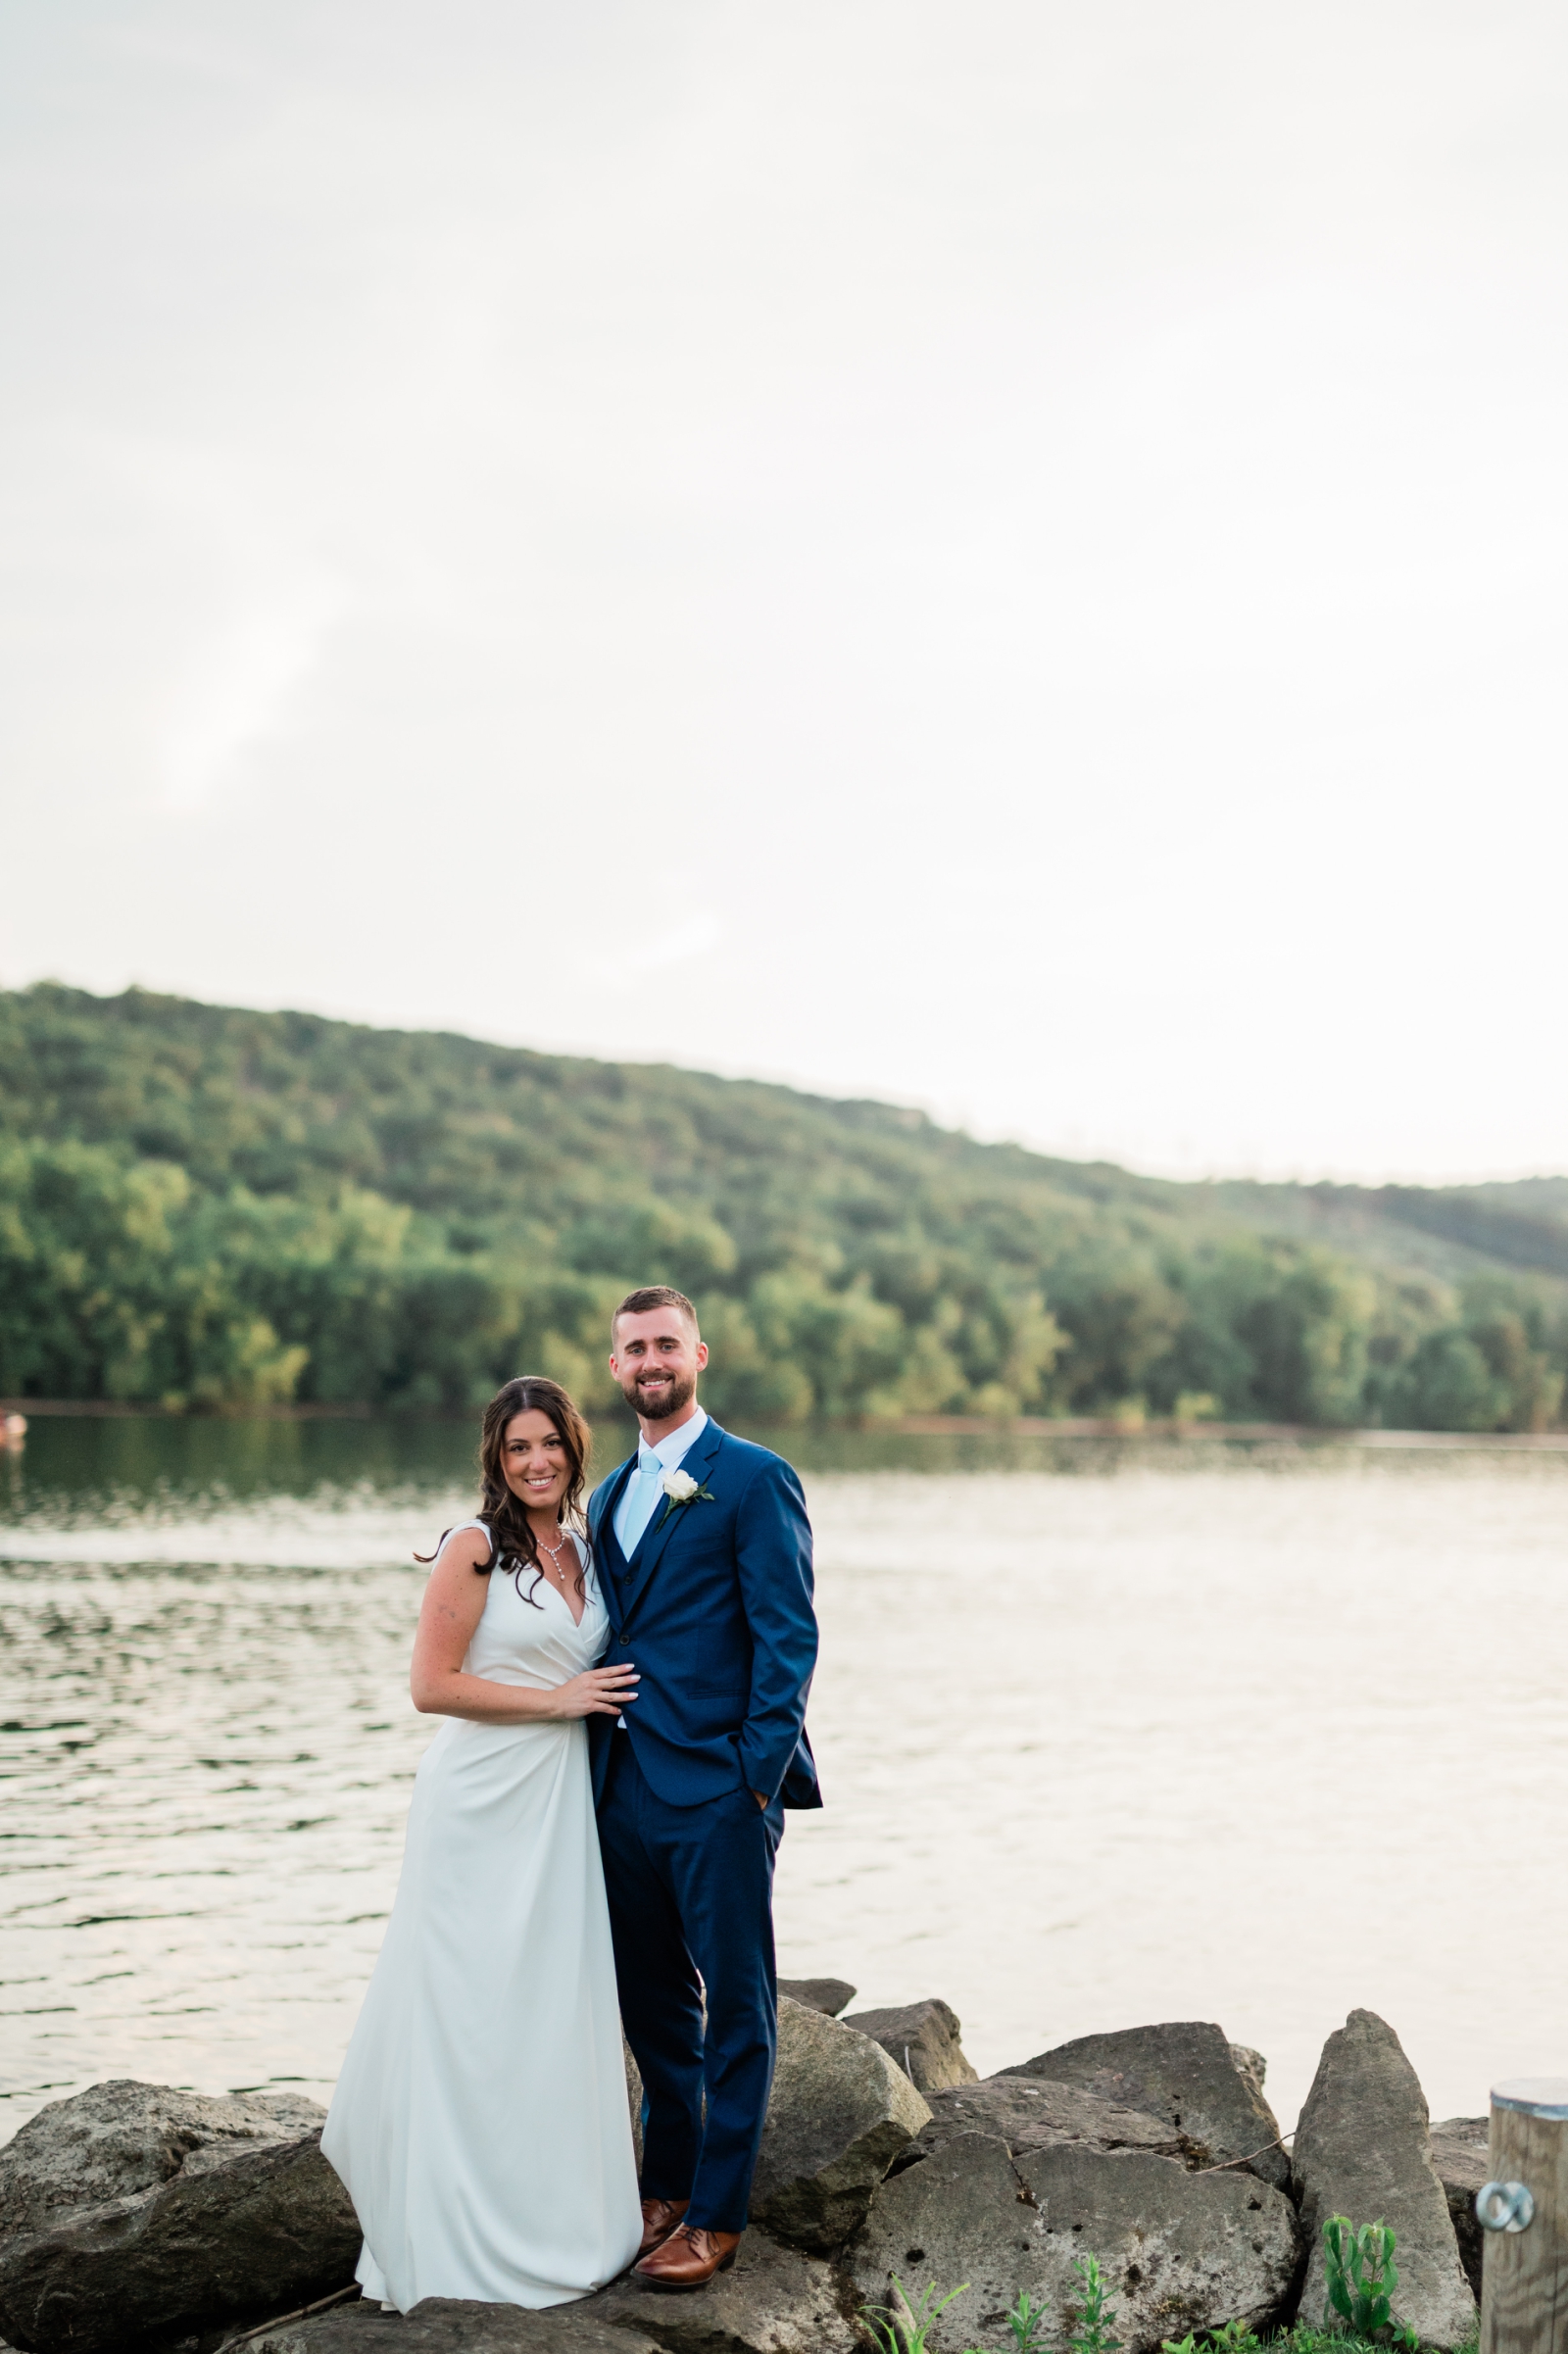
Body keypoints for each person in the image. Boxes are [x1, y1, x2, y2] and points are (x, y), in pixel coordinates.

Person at [321, 1376, 643, 2311]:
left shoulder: (587, 1545)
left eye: (550, 1444)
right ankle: (454, 2231)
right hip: (476, 1803)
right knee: (469, 2009)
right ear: (497, 1462)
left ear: (574, 1451)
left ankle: (556, 2215)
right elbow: (430, 1685)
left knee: (546, 2003)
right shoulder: (474, 1548)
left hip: (557, 1808)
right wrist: (559, 1701)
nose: (536, 1462)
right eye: (517, 1449)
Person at [588, 1285, 820, 2292]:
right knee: (649, 2004)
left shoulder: (753, 1477)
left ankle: (718, 2214)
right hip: (621, 1785)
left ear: (699, 1355)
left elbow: (789, 1637)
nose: (651, 1358)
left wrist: (752, 1782)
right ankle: (664, 2184)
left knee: (737, 2005)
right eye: (634, 1345)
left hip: (719, 1789)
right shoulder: (604, 1495)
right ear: (615, 1366)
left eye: (666, 1343)